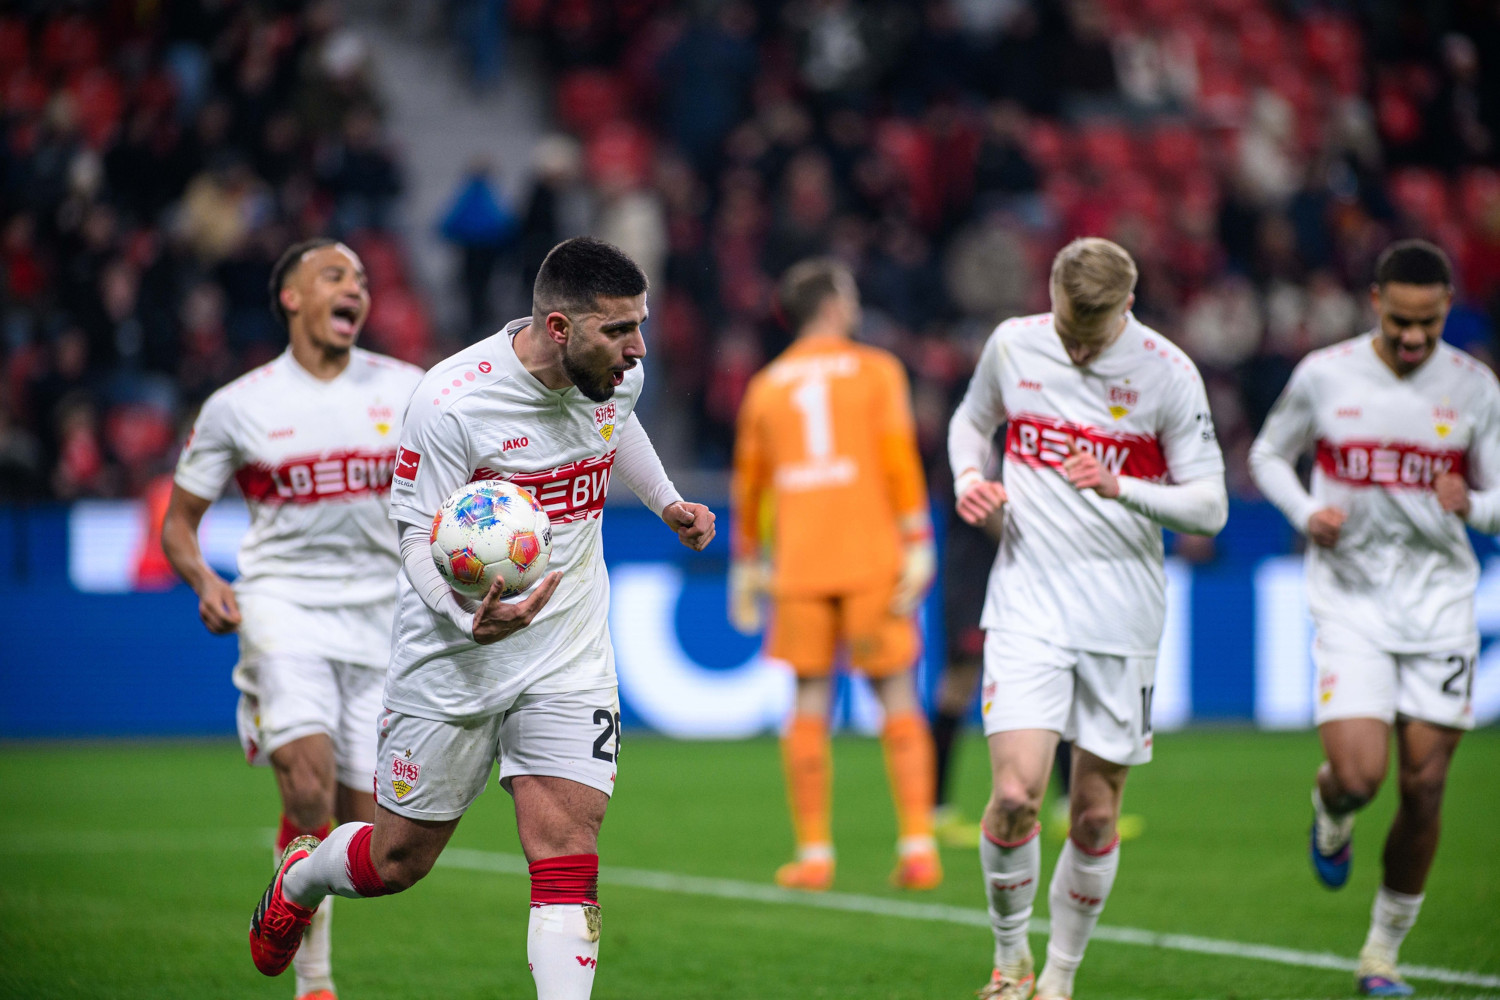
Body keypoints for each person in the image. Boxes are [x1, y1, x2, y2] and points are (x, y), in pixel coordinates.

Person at [244, 236, 715, 1000]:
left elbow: (617, 420)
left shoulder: (615, 374)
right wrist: (464, 622)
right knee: (398, 860)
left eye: (641, 325)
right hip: (455, 660)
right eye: (619, 330)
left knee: (567, 844)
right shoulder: (452, 399)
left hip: (567, 653)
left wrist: (666, 502)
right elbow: (412, 531)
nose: (638, 350)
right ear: (558, 327)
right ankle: (303, 876)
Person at [949, 237, 1227, 1000]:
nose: (1075, 348)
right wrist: (970, 476)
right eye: (1069, 328)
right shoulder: (1015, 344)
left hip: (1121, 615)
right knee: (1015, 796)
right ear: (1051, 293)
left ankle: (1061, 977)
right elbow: (971, 421)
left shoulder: (1169, 373)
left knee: (1097, 816)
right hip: (1027, 600)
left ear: (1128, 306)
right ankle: (1010, 961)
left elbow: (1210, 507)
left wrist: (1121, 487)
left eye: (1092, 336)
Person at [162, 238, 424, 1000]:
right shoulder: (239, 405)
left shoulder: (408, 389)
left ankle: (291, 887)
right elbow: (179, 524)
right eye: (335, 276)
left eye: (363, 279)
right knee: (307, 791)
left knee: (368, 834)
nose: (356, 289)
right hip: (283, 605)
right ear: (292, 298)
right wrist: (205, 579)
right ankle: (314, 982)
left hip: (384, 615)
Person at [1248, 240, 1492, 998]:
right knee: (1360, 775)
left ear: (1446, 308)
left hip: (1439, 605)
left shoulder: (1475, 387)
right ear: (1376, 303)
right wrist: (1304, 512)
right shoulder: (1325, 374)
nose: (1414, 337)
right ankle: (1332, 809)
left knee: (1425, 786)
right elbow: (1267, 455)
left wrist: (1474, 505)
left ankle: (1381, 956)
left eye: (1429, 323)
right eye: (1400, 321)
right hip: (1351, 600)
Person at [729, 257, 940, 892]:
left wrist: (747, 563)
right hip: (872, 556)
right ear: (832, 305)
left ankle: (815, 854)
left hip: (800, 563)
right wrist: (919, 539)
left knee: (809, 702)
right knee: (896, 696)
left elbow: (751, 484)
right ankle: (918, 846)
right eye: (848, 295)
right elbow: (898, 457)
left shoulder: (767, 385)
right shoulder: (877, 370)